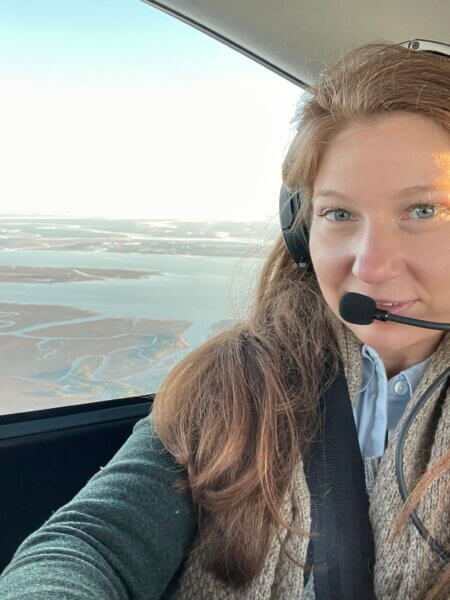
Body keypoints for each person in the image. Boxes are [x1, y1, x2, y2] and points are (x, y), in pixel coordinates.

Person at [0, 41, 449, 600]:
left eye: (424, 210)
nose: (372, 264)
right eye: (338, 213)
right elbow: (93, 541)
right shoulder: (232, 382)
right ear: (301, 231)